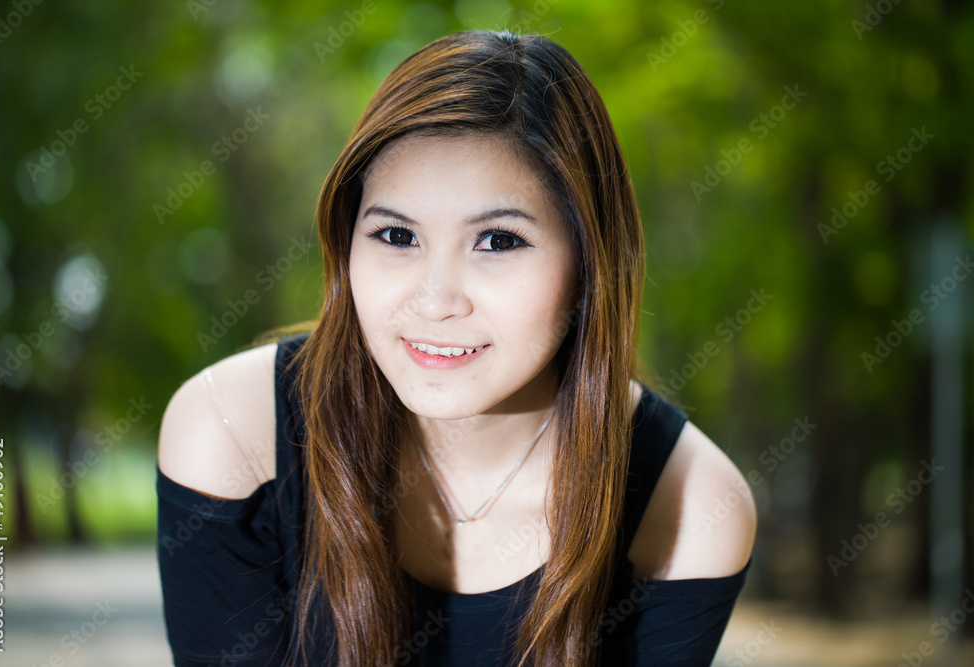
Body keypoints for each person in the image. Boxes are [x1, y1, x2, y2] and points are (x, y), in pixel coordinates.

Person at [156, 29, 756, 667]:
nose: (435, 300)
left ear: (589, 263)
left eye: (497, 241)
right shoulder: (233, 431)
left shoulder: (689, 507)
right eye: (397, 235)